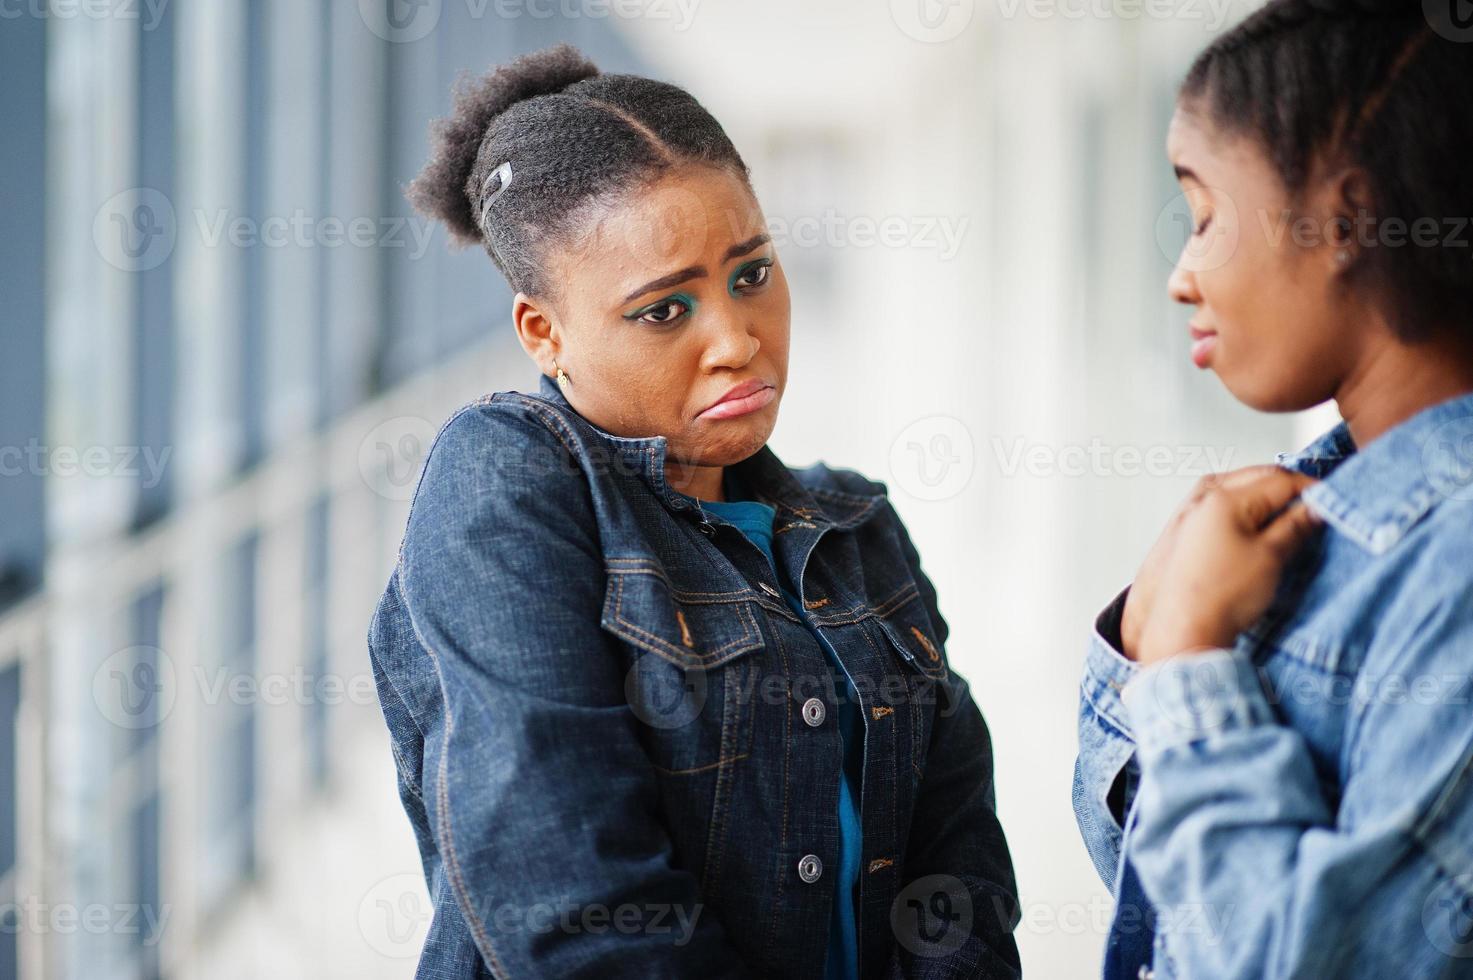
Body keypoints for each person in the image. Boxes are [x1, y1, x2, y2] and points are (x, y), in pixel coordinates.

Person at [366, 43, 1021, 979]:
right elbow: (576, 908)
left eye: (749, 274)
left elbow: (959, 863)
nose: (736, 339)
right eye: (664, 310)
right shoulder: (507, 482)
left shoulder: (859, 531)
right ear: (543, 334)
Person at [1072, 1, 1473, 976]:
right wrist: (1148, 638)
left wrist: (1186, 665)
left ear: (1347, 218)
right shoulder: (1309, 511)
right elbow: (1149, 895)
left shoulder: (1457, 561)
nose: (1178, 276)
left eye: (1203, 216)